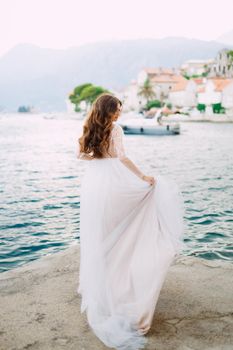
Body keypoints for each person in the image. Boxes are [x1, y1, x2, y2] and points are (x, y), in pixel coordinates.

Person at [76, 93, 185, 350]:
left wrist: (99, 159)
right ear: (110, 111)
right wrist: (143, 176)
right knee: (122, 229)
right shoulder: (116, 130)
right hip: (113, 183)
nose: (119, 115)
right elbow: (122, 157)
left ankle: (98, 284)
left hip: (93, 186)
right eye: (117, 111)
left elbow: (81, 156)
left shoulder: (89, 125)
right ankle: (116, 284)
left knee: (100, 235)